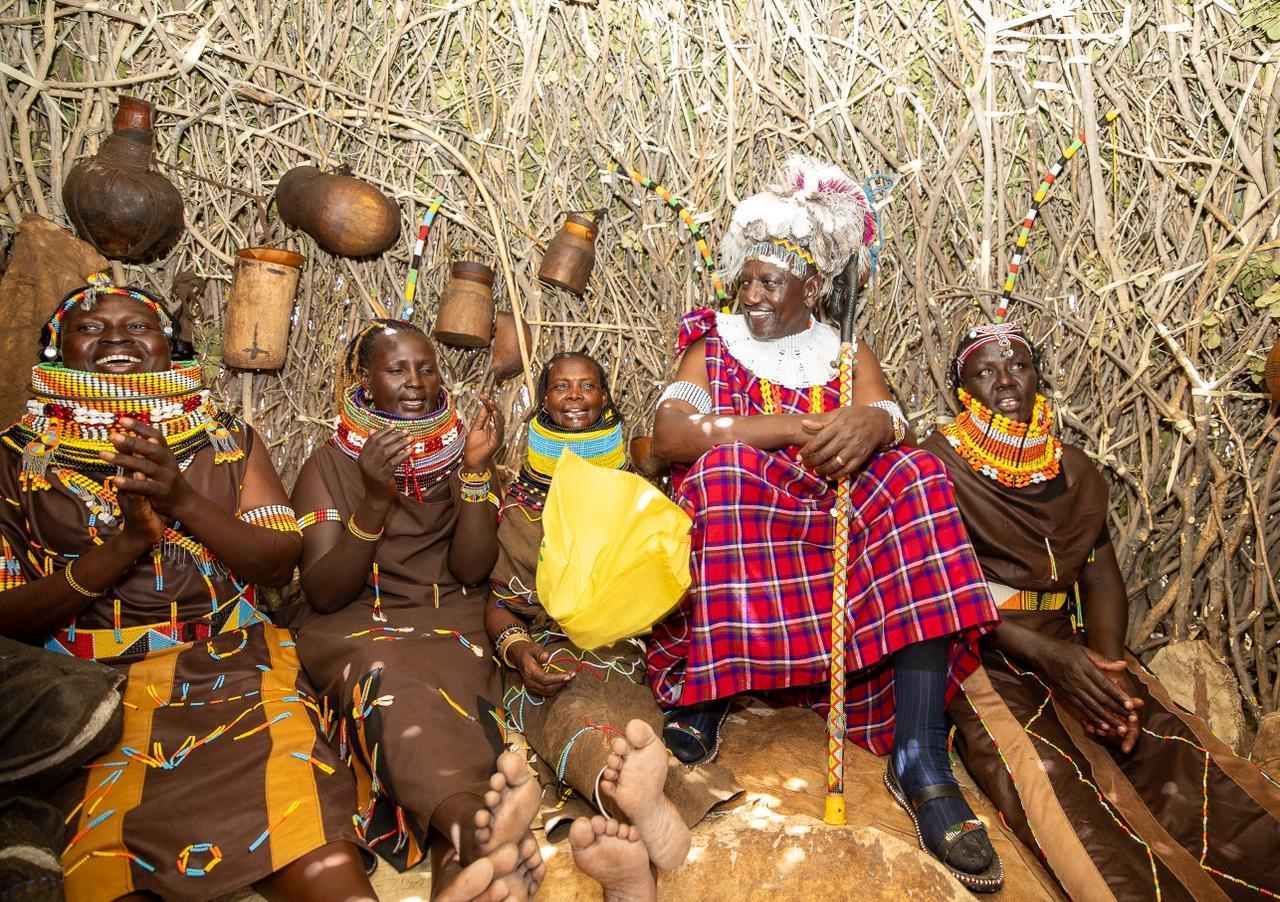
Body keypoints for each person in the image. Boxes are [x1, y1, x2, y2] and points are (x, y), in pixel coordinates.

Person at [649, 157, 1003, 891]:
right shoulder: (712, 345)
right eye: (746, 280)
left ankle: (919, 755)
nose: (751, 295)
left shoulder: (844, 354)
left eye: (770, 283)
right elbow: (672, 435)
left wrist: (875, 423)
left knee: (917, 475)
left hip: (832, 517)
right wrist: (787, 425)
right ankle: (706, 694)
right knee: (722, 472)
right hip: (750, 510)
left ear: (812, 289)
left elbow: (892, 418)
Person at [0, 276, 376, 901]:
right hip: (87, 688)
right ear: (55, 350)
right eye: (89, 328)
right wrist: (125, 545)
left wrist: (182, 500)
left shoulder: (225, 438)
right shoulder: (15, 455)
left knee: (307, 825)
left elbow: (279, 563)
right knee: (108, 856)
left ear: (168, 346)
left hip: (233, 665)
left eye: (138, 326)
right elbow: (6, 619)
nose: (116, 339)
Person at [923, 322, 1280, 901]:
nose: (1006, 381)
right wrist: (1050, 657)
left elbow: (1099, 574)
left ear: (1038, 378)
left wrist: (1109, 670)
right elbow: (935, 589)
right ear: (962, 391)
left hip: (1070, 640)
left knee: (1171, 753)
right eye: (985, 371)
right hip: (980, 653)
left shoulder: (1076, 468)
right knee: (1055, 788)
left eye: (1018, 366)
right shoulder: (933, 466)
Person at [290, 318, 544, 899]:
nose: (415, 381)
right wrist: (375, 499)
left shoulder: (460, 456)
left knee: (451, 701)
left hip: (452, 617)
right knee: (394, 684)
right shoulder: (327, 465)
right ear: (364, 380)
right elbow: (324, 591)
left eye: (426, 368)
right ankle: (472, 831)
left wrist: (475, 472)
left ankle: (459, 862)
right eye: (397, 369)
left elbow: (472, 570)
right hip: (359, 625)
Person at [487, 351, 740, 893]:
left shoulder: (637, 493)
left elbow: (668, 583)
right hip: (547, 648)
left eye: (588, 386)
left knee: (633, 718)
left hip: (622, 648)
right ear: (543, 399)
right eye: (561, 386)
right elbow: (499, 603)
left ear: (605, 397)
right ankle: (635, 808)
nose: (575, 396)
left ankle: (628, 815)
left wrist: (654, 598)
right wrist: (519, 653)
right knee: (571, 711)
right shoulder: (520, 501)